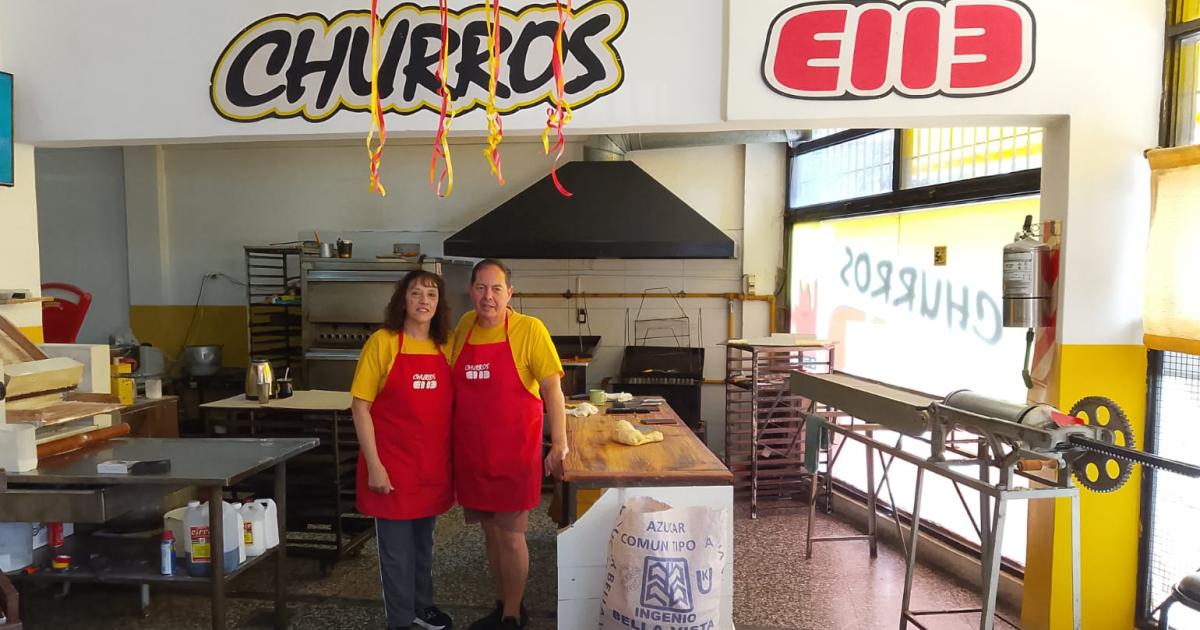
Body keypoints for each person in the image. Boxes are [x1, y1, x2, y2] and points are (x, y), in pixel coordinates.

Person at [451, 259, 568, 630]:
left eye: (496, 288)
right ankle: (502, 602)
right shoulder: (463, 327)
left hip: (514, 454)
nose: (488, 296)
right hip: (473, 453)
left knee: (512, 536)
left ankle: (514, 616)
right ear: (471, 291)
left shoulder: (529, 329)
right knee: (490, 533)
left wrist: (559, 444)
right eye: (481, 288)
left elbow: (553, 391)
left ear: (510, 293)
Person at [351, 270, 456, 630]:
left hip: (430, 466)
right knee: (395, 553)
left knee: (423, 546)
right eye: (416, 293)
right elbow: (360, 406)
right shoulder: (382, 343)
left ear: (439, 304)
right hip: (391, 466)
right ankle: (399, 620)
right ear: (403, 300)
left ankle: (422, 607)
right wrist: (375, 466)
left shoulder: (446, 345)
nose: (424, 301)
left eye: (431, 294)